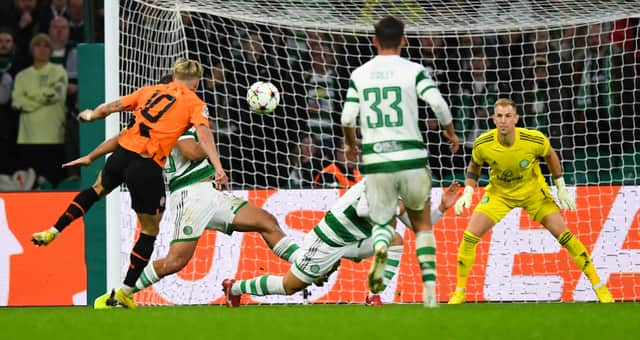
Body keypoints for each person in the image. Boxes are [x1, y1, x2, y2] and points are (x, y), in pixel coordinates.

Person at [31, 58, 228, 309]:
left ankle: (52, 230)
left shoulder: (149, 91)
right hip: (146, 166)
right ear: (197, 82)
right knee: (149, 230)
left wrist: (91, 119)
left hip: (121, 156)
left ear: (173, 75)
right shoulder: (195, 103)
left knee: (95, 191)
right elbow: (204, 135)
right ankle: (125, 291)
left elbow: (111, 108)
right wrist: (218, 167)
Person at [60, 126, 303, 308]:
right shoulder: (177, 121)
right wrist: (206, 134)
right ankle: (117, 296)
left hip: (210, 193)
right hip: (192, 195)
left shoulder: (154, 123)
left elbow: (121, 139)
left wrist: (92, 156)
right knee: (174, 262)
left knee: (266, 221)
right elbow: (192, 151)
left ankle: (303, 265)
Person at [340, 15, 459, 307]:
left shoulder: (360, 74)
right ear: (404, 40)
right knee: (421, 227)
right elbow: (439, 105)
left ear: (374, 41)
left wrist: (352, 145)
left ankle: (380, 247)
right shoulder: (414, 70)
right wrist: (450, 133)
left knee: (384, 222)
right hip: (412, 157)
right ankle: (430, 291)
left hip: (378, 159)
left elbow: (346, 118)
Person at [448, 98, 614, 304]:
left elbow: (551, 156)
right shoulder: (483, 143)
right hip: (500, 194)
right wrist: (469, 192)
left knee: (563, 234)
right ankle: (460, 291)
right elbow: (474, 166)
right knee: (469, 237)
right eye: (499, 116)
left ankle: (599, 286)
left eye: (508, 116)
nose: (503, 121)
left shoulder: (533, 139)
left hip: (533, 192)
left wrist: (560, 186)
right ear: (493, 118)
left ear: (516, 119)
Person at [222, 181, 461, 307]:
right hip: (329, 240)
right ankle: (234, 288)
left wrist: (441, 207)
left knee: (395, 239)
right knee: (290, 286)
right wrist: (397, 208)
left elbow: (416, 225)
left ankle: (373, 296)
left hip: (354, 240)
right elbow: (363, 209)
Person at [11, 33, 68, 186]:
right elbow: (17, 102)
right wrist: (43, 96)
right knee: (30, 185)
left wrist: (29, 97)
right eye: (38, 45)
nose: (42, 48)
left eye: (46, 45)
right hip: (27, 139)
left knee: (52, 183)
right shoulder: (22, 76)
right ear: (32, 49)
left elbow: (56, 94)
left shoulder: (59, 71)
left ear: (51, 50)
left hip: (53, 138)